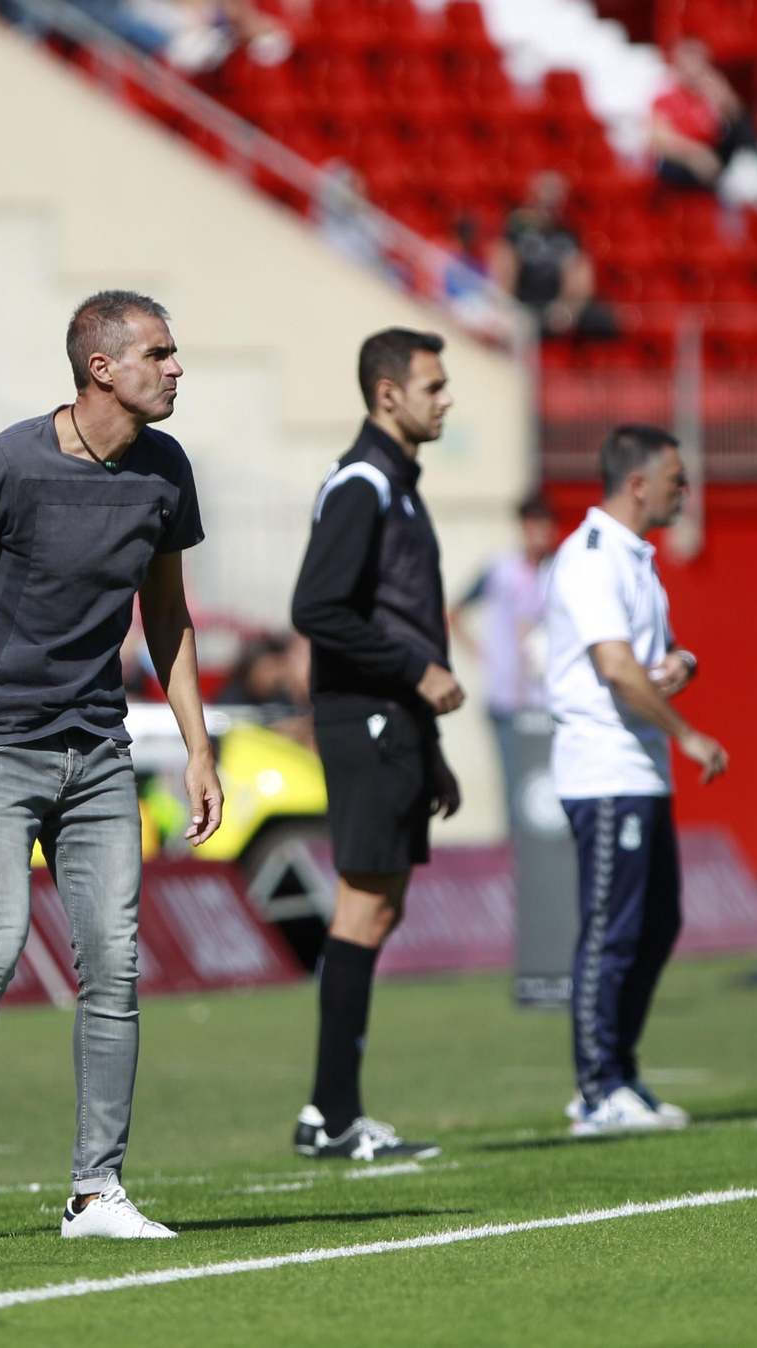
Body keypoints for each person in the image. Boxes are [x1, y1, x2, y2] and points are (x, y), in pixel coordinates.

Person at [0, 289, 219, 1242]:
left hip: (99, 752)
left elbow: (169, 616)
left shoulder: (166, 470)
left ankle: (96, 1192)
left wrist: (198, 747)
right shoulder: (7, 463)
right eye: (159, 352)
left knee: (115, 963)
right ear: (102, 367)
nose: (177, 367)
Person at [288, 328, 465, 1162]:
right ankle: (331, 1115)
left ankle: (335, 1110)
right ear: (388, 394)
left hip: (392, 722)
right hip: (363, 714)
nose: (446, 399)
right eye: (433, 386)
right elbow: (319, 608)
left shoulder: (395, 482)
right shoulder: (363, 482)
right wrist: (418, 675)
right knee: (363, 906)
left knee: (380, 906)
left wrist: (429, 747)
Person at [545, 424, 729, 1136]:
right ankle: (595, 1090)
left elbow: (650, 658)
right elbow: (616, 668)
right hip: (604, 765)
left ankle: (620, 1071)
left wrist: (683, 663)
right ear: (639, 483)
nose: (687, 491)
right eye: (678, 478)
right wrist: (688, 734)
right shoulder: (591, 556)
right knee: (611, 929)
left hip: (638, 765)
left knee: (657, 923)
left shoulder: (634, 559)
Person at [451, 492, 556, 830]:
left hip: (550, 700)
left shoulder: (558, 571)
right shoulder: (500, 569)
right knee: (515, 792)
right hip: (508, 702)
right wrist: (484, 655)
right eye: (533, 523)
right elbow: (452, 612)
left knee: (547, 796)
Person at [490, 172, 615, 339]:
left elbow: (580, 274)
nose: (552, 199)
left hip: (555, 305)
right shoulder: (517, 226)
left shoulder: (569, 230)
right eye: (547, 191)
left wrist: (567, 308)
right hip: (524, 301)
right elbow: (504, 266)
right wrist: (509, 305)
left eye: (557, 193)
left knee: (605, 322)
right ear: (533, 194)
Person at [651, 38, 757, 191]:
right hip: (682, 161)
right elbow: (659, 139)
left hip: (716, 156)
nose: (694, 69)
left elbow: (738, 118)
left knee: (741, 129)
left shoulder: (711, 93)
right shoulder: (665, 97)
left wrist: (722, 95)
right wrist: (696, 154)